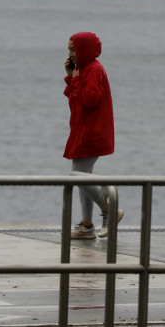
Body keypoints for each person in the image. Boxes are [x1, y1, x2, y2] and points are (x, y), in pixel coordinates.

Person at [63, 32, 123, 239]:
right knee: (83, 177)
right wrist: (72, 77)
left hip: (91, 132)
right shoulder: (83, 69)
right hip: (83, 129)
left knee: (76, 177)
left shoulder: (94, 69)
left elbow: (90, 100)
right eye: (69, 49)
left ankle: (110, 210)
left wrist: (76, 80)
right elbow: (76, 100)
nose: (70, 53)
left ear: (84, 49)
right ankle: (87, 225)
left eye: (74, 49)